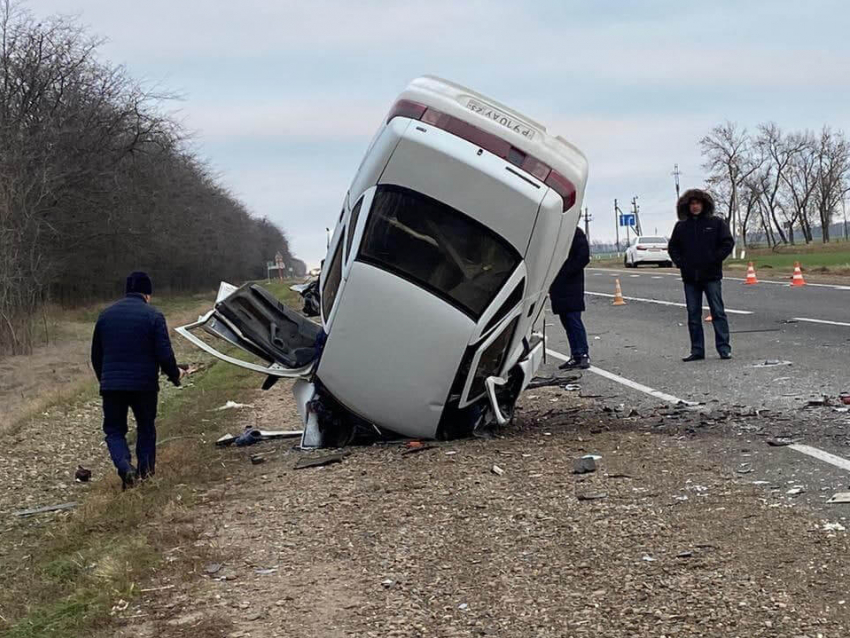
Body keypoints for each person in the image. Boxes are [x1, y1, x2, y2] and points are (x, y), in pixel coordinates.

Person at [91, 272, 184, 489]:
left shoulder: (105, 316)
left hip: (112, 385)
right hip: (144, 386)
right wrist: (174, 375)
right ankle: (145, 474)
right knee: (146, 427)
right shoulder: (153, 316)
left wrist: (104, 380)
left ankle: (125, 467)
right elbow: (164, 354)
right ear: (148, 294)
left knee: (114, 431)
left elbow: (96, 355)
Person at [667, 189, 735, 362]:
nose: (695, 206)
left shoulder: (716, 223)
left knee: (718, 312)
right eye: (692, 203)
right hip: (690, 277)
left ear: (704, 205)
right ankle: (697, 349)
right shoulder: (681, 227)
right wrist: (681, 262)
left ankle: (724, 348)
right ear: (687, 206)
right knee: (693, 314)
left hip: (711, 275)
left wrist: (715, 258)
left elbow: (727, 242)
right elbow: (673, 247)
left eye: (698, 203)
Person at [549, 226, 591, 370]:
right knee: (566, 321)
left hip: (571, 283)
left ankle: (583, 354)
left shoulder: (575, 232)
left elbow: (583, 257)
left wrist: (564, 272)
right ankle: (575, 355)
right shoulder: (555, 233)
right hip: (557, 284)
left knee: (573, 319)